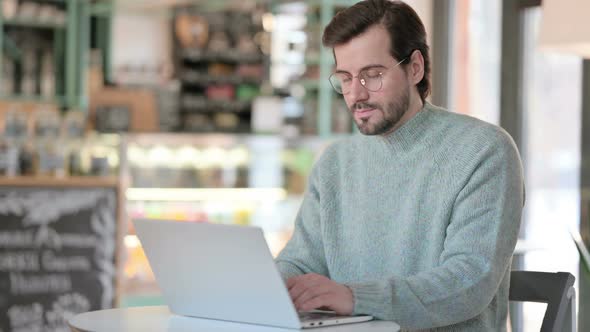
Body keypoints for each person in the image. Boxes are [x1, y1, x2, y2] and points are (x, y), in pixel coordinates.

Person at [275, 0, 525, 331]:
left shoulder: (484, 151)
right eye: (345, 78)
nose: (356, 94)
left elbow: (468, 282)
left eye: (372, 75)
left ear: (416, 68)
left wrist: (354, 297)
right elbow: (302, 261)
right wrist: (264, 286)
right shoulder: (334, 163)